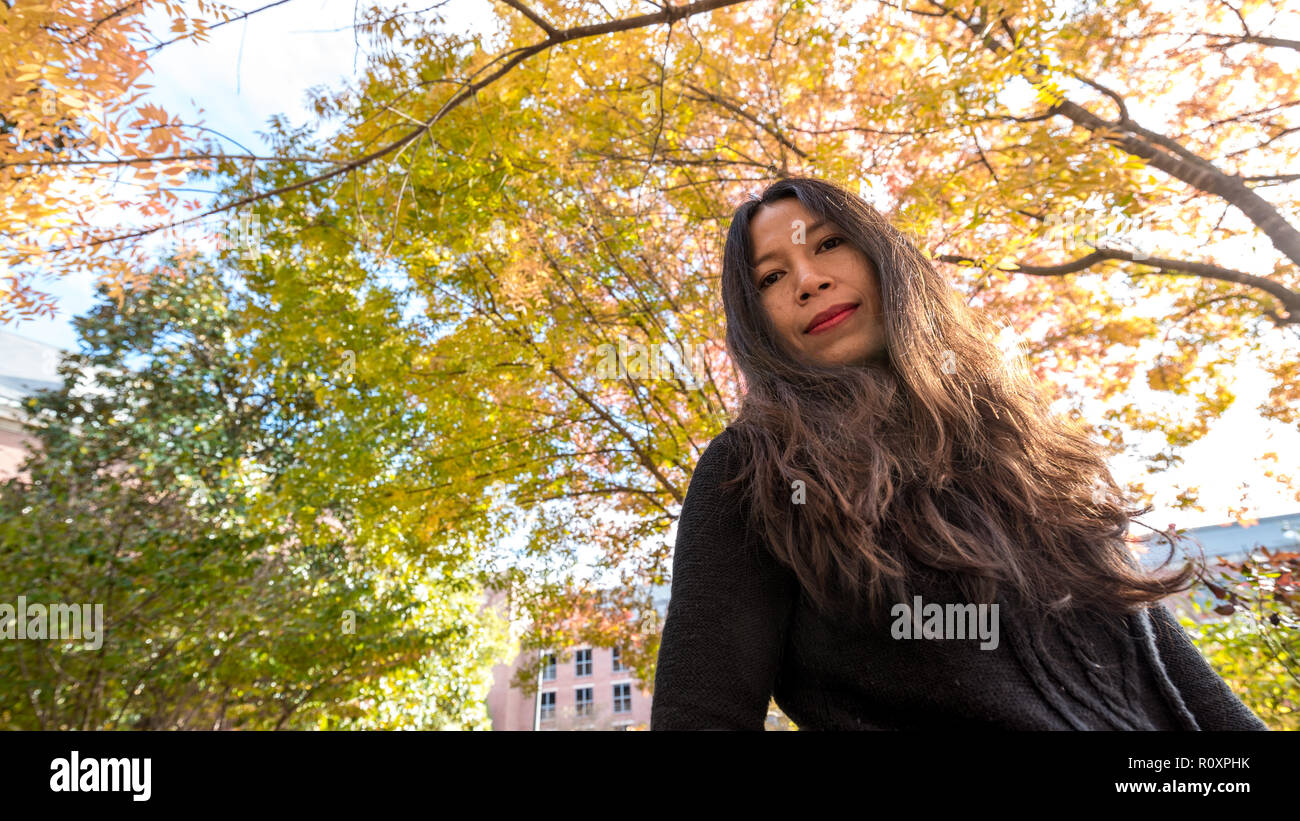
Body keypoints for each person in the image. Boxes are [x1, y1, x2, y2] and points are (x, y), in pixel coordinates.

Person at [649, 176, 1268, 731]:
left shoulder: (1029, 448)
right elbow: (701, 717)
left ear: (884, 258)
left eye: (828, 245)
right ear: (758, 320)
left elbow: (1177, 680)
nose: (809, 281)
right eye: (772, 277)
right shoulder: (754, 469)